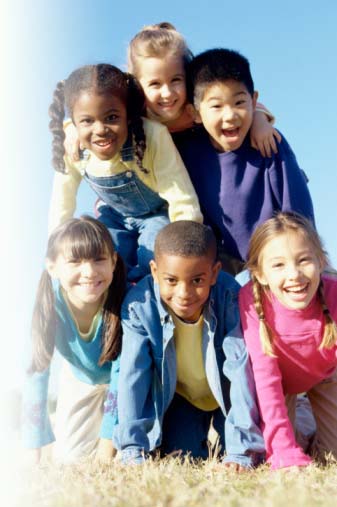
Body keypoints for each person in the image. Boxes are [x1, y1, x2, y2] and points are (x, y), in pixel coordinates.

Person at [114, 221, 264, 469]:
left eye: (197, 280)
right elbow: (133, 376)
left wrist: (242, 449)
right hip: (183, 399)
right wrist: (132, 447)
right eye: (171, 280)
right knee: (182, 460)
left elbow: (240, 371)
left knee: (243, 459)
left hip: (228, 399)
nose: (184, 293)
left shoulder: (230, 296)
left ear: (214, 273)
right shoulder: (138, 306)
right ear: (154, 271)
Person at [48, 63, 202, 281]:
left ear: (128, 115)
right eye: (87, 121)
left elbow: (180, 196)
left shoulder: (152, 135)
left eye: (111, 118)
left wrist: (188, 246)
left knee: (154, 258)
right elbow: (61, 205)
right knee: (102, 258)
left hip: (156, 214)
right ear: (73, 123)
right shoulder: (73, 146)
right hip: (114, 216)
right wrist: (57, 250)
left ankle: (145, 299)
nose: (100, 129)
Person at [175, 48, 315, 275]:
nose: (230, 115)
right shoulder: (189, 152)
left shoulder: (269, 142)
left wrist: (304, 259)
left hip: (281, 255)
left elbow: (298, 210)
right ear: (196, 113)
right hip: (229, 260)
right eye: (217, 106)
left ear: (254, 100)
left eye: (239, 103)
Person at [22, 216, 126, 464]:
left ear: (113, 261)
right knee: (70, 459)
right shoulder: (49, 308)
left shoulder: (127, 301)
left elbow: (124, 375)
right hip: (81, 378)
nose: (89, 272)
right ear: (52, 267)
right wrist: (32, 450)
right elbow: (37, 371)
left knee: (125, 455)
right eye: (74, 261)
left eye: (99, 259)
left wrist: (106, 447)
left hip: (129, 382)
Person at [239, 212, 337, 470]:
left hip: (326, 376)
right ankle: (302, 417)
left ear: (321, 260)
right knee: (287, 448)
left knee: (331, 458)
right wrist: (283, 450)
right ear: (260, 274)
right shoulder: (252, 300)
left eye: (304, 260)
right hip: (280, 385)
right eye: (278, 265)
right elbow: (266, 379)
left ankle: (312, 419)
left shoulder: (333, 292)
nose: (294, 274)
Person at [127, 21, 280, 157]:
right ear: (137, 84)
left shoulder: (197, 104)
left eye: (176, 80)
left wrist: (259, 120)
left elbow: (239, 102)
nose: (167, 93)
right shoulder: (139, 114)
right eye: (155, 84)